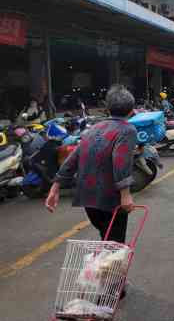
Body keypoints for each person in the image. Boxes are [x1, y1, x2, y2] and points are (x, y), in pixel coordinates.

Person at [45, 84, 137, 246]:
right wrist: (125, 195)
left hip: (88, 198)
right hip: (109, 199)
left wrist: (55, 187)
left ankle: (99, 269)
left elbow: (73, 158)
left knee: (107, 240)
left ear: (107, 108)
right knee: (114, 248)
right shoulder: (127, 130)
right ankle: (102, 271)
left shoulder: (94, 128)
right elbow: (120, 161)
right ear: (132, 110)